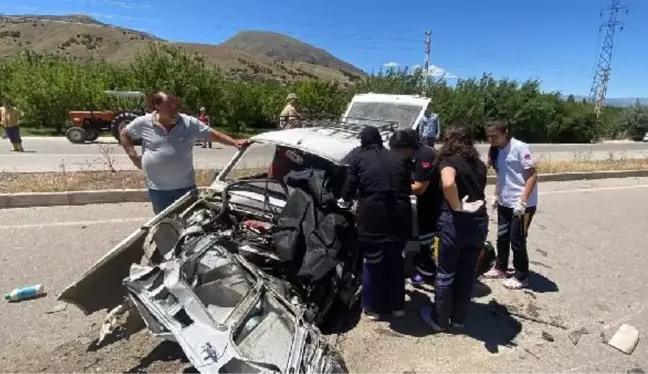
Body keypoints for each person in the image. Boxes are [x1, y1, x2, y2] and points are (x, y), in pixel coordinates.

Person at [119, 92, 249, 214]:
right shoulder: (143, 122)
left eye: (176, 106)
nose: (174, 110)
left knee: (189, 224)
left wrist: (234, 142)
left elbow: (211, 134)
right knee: (164, 225)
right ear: (157, 106)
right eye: (169, 106)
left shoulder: (188, 122)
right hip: (158, 189)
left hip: (185, 188)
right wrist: (133, 156)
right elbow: (124, 133)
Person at [419, 122, 488, 332]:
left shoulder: (449, 162)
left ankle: (439, 319)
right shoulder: (479, 164)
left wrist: (457, 206)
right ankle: (458, 319)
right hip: (478, 222)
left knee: (446, 272)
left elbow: (448, 184)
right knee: (467, 272)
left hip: (455, 222)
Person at [339, 126, 413, 320]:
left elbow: (349, 186)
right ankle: (398, 307)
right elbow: (407, 187)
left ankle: (373, 308)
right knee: (396, 260)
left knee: (372, 262)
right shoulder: (398, 158)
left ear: (363, 142)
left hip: (373, 215)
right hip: (400, 214)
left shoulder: (359, 158)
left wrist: (344, 200)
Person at [482, 120, 538, 290]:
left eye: (494, 136)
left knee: (518, 240)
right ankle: (501, 267)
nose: (491, 140)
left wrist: (523, 201)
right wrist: (496, 195)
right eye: (489, 137)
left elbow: (532, 176)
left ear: (506, 132)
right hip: (505, 201)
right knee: (502, 236)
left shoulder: (520, 148)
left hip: (522, 204)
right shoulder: (497, 151)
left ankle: (521, 276)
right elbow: (502, 176)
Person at [389, 129, 443, 286]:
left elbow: (419, 187)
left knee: (426, 241)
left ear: (405, 147)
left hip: (432, 205)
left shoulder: (424, 155)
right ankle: (416, 264)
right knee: (415, 237)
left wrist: (394, 187)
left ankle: (429, 273)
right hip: (419, 205)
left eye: (396, 151)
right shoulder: (410, 156)